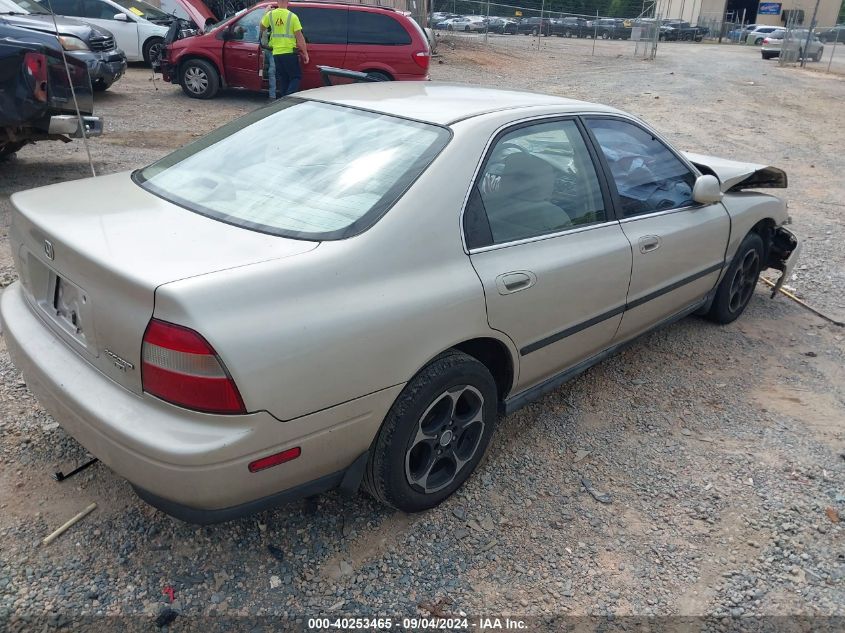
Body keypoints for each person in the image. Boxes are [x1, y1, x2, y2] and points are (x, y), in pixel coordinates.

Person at [259, 0, 309, 98]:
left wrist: (266, 12)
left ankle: (283, 99)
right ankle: (287, 99)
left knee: (283, 79)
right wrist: (305, 53)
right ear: (287, 1)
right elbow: (299, 37)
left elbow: (262, 27)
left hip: (276, 53)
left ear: (277, 1)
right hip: (289, 53)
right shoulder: (292, 17)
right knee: (295, 77)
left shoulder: (270, 15)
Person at [260, 3, 278, 100]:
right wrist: (266, 13)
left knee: (272, 71)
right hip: (265, 49)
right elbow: (261, 26)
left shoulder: (279, 24)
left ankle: (272, 96)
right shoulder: (266, 23)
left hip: (274, 50)